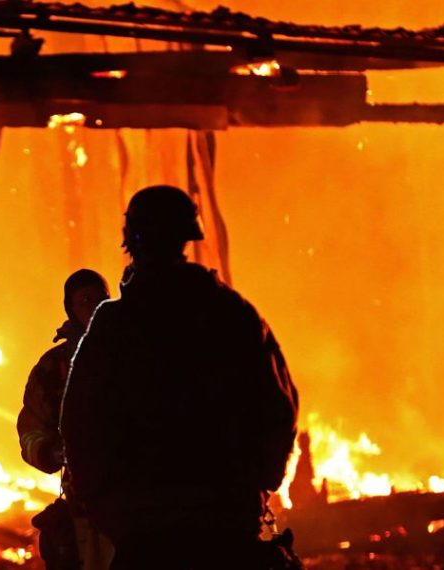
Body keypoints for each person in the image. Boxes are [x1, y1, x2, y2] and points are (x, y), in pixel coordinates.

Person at [60, 186, 299, 569]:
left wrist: (109, 512)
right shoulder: (231, 314)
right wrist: (255, 487)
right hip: (225, 528)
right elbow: (278, 408)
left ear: (131, 244)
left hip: (143, 536)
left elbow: (80, 426)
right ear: (187, 238)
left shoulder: (113, 327)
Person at [18, 269, 114, 569]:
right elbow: (30, 429)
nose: (94, 307)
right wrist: (49, 451)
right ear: (70, 309)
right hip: (83, 506)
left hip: (137, 502)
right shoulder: (53, 368)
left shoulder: (135, 354)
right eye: (85, 300)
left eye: (101, 299)